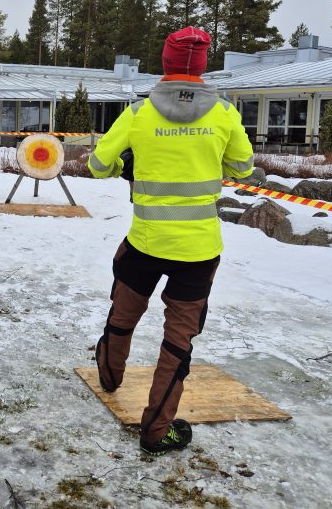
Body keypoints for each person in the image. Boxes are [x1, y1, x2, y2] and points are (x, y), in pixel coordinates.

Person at [87, 26, 254, 456]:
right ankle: (158, 431)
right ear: (202, 66)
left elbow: (98, 164)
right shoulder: (224, 114)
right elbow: (243, 166)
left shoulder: (139, 113)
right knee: (178, 341)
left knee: (123, 314)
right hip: (199, 252)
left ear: (165, 62)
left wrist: (128, 165)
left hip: (144, 242)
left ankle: (109, 376)